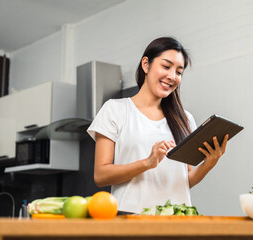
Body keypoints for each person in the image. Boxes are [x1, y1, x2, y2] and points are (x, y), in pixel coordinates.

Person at [87, 37, 228, 214]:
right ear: (146, 65)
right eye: (166, 66)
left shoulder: (184, 119)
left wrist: (208, 163)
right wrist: (147, 162)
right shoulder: (115, 110)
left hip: (176, 221)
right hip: (131, 220)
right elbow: (101, 175)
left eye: (179, 72)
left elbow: (185, 180)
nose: (172, 77)